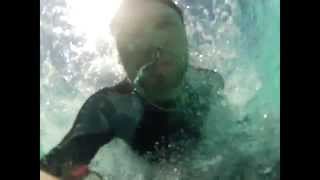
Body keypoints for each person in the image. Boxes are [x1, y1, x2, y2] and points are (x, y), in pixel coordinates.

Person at [40, 0, 224, 179]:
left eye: (163, 24)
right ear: (120, 57)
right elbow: (52, 167)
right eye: (133, 34)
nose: (153, 42)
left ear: (185, 34)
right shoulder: (110, 107)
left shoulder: (210, 83)